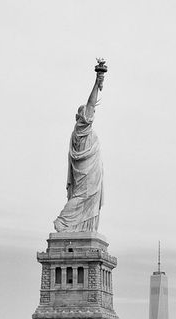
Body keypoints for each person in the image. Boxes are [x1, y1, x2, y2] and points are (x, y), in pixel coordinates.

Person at [54, 63, 106, 232]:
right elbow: (91, 105)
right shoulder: (81, 128)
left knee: (86, 198)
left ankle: (82, 228)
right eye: (88, 114)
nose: (91, 115)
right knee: (82, 196)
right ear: (81, 117)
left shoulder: (82, 132)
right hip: (86, 173)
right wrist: (97, 83)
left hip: (91, 172)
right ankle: (63, 221)